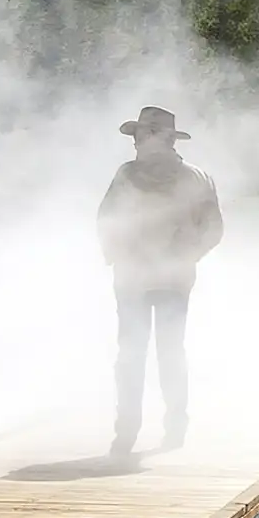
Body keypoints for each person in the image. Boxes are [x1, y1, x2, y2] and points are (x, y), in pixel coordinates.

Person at [96, 106, 224, 456]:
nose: (137, 143)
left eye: (141, 136)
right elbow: (108, 222)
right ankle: (154, 429)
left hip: (148, 278)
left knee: (146, 353)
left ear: (160, 139)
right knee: (150, 353)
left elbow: (105, 221)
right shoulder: (190, 177)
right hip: (157, 278)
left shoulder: (187, 178)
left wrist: (179, 256)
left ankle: (142, 431)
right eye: (138, 137)